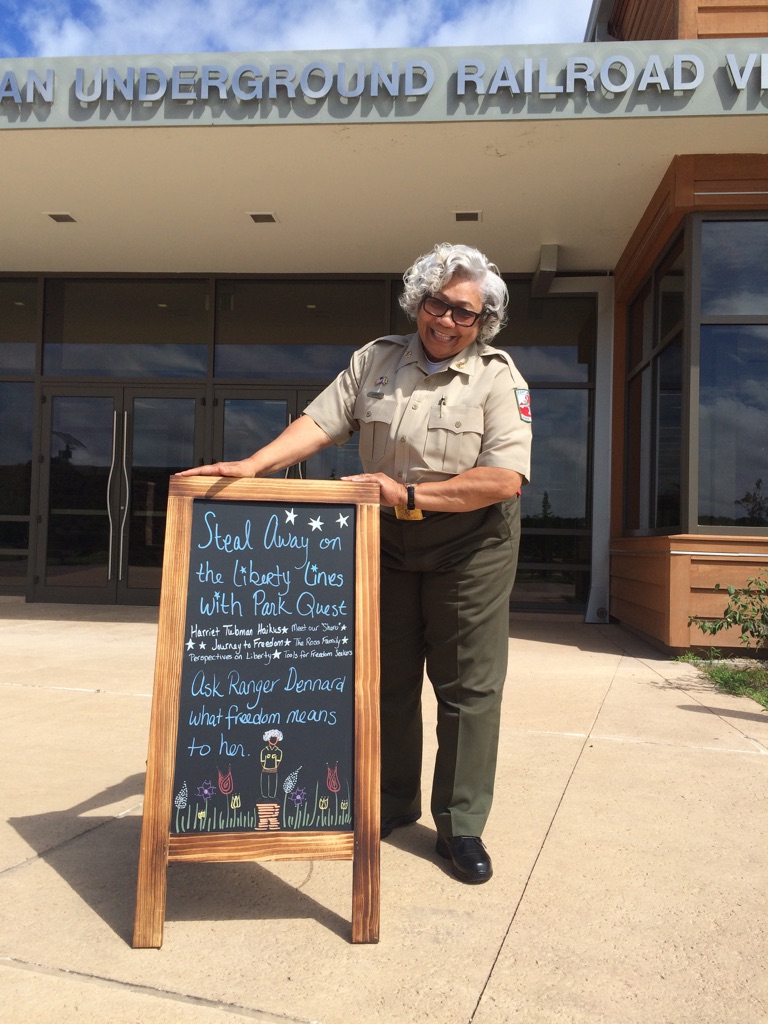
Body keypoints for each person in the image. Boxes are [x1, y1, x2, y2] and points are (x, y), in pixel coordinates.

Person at [178, 243, 532, 884]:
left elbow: (504, 480)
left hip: (469, 543)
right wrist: (254, 465)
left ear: (483, 322)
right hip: (385, 538)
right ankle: (390, 802)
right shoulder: (377, 359)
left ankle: (460, 825)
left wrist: (411, 495)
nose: (446, 320)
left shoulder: (497, 377)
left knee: (468, 688)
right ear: (418, 300)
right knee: (386, 679)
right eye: (437, 303)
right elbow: (321, 421)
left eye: (464, 312)